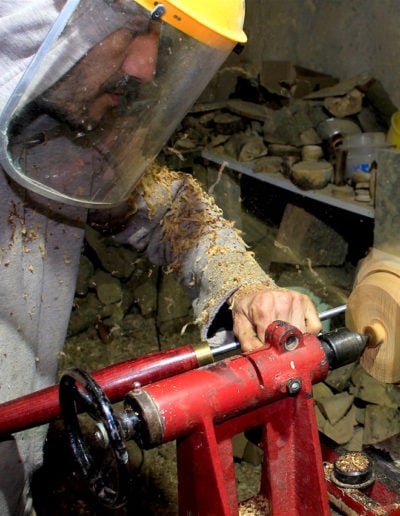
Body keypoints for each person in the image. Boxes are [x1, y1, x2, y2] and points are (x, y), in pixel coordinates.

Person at [0, 0, 322, 513]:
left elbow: (173, 209)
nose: (146, 68)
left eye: (158, 36)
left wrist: (243, 288)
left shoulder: (50, 135)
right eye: (133, 29)